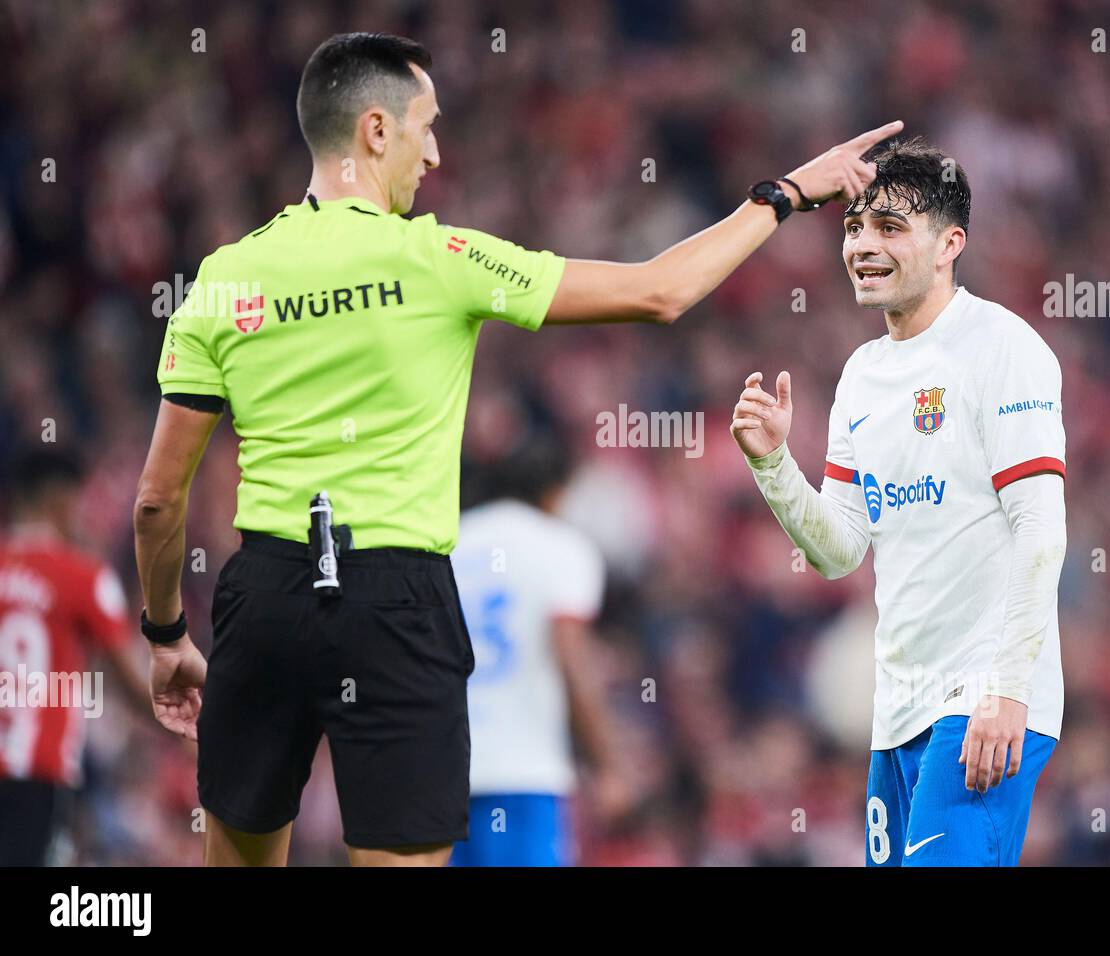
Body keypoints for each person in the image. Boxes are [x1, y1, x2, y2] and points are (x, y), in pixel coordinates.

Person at [133, 30, 904, 867]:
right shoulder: (442, 258)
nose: (435, 152)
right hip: (396, 597)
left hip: (266, 596)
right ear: (376, 132)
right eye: (426, 127)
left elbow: (157, 500)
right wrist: (785, 194)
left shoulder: (224, 278)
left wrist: (168, 632)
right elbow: (660, 291)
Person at [729, 137, 1066, 866]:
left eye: (889, 227)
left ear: (950, 244)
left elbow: (1041, 527)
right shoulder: (862, 376)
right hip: (899, 712)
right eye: (853, 227)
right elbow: (838, 550)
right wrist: (773, 464)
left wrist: (1007, 691)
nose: (862, 245)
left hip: (983, 699)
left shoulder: (1003, 348)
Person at [450, 439, 628, 866]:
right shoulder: (561, 547)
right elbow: (571, 658)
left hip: (442, 770)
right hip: (523, 770)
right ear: (555, 492)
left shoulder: (452, 543)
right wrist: (608, 764)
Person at [0, 447, 150, 866]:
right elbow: (133, 686)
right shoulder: (83, 577)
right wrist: (190, 727)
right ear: (60, 500)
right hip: (38, 778)